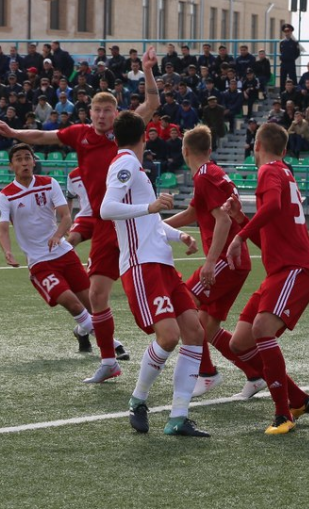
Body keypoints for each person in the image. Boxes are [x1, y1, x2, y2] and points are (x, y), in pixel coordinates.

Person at [0, 47, 160, 383]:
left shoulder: (125, 132)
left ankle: (186, 347)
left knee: (151, 288)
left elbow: (152, 104)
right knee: (97, 295)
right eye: (97, 110)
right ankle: (108, 360)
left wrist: (147, 71)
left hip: (132, 223)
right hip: (102, 223)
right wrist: (14, 134)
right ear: (90, 111)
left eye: (107, 110)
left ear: (116, 113)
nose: (101, 116)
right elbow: (43, 135)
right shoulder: (80, 134)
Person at [99, 110, 208, 438]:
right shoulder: (125, 164)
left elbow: (147, 222)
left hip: (161, 263)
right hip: (142, 266)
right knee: (169, 336)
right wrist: (149, 207)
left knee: (194, 332)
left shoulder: (135, 168)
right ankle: (138, 400)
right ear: (145, 135)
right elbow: (107, 209)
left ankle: (178, 416)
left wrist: (179, 235)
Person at [224, 122, 309, 435]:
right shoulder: (283, 172)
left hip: (295, 268)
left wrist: (239, 236)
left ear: (257, 146)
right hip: (281, 270)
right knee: (240, 342)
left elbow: (275, 206)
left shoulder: (268, 171)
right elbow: (268, 240)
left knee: (262, 330)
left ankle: (284, 414)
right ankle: (298, 399)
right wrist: (241, 220)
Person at [160, 126, 267, 399]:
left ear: (184, 151)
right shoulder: (210, 174)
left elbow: (223, 218)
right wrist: (155, 226)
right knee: (207, 327)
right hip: (235, 263)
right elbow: (191, 213)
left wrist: (209, 263)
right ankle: (256, 375)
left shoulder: (206, 176)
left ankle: (206, 374)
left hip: (224, 261)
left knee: (183, 305)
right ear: (209, 150)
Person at [0, 143, 128, 356]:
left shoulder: (49, 184)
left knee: (92, 306)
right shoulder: (5, 195)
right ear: (11, 166)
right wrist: (7, 251)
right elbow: (2, 229)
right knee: (73, 305)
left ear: (34, 161)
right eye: (18, 159)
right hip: (39, 262)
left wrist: (58, 235)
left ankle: (81, 331)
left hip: (64, 254)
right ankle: (114, 346)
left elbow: (66, 216)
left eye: (27, 158)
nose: (24, 163)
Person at [66, 167, 95, 247]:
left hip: (106, 216)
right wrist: (67, 220)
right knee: (71, 241)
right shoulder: (73, 175)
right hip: (85, 217)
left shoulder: (107, 169)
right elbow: (70, 198)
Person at [279, 23, 301, 91]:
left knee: (293, 78)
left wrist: (291, 58)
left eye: (288, 31)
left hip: (291, 63)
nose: (287, 33)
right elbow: (281, 51)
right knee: (282, 78)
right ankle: (282, 92)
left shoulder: (294, 42)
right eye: (285, 31)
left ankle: (295, 92)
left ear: (291, 32)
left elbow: (297, 53)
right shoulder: (282, 42)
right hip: (283, 63)